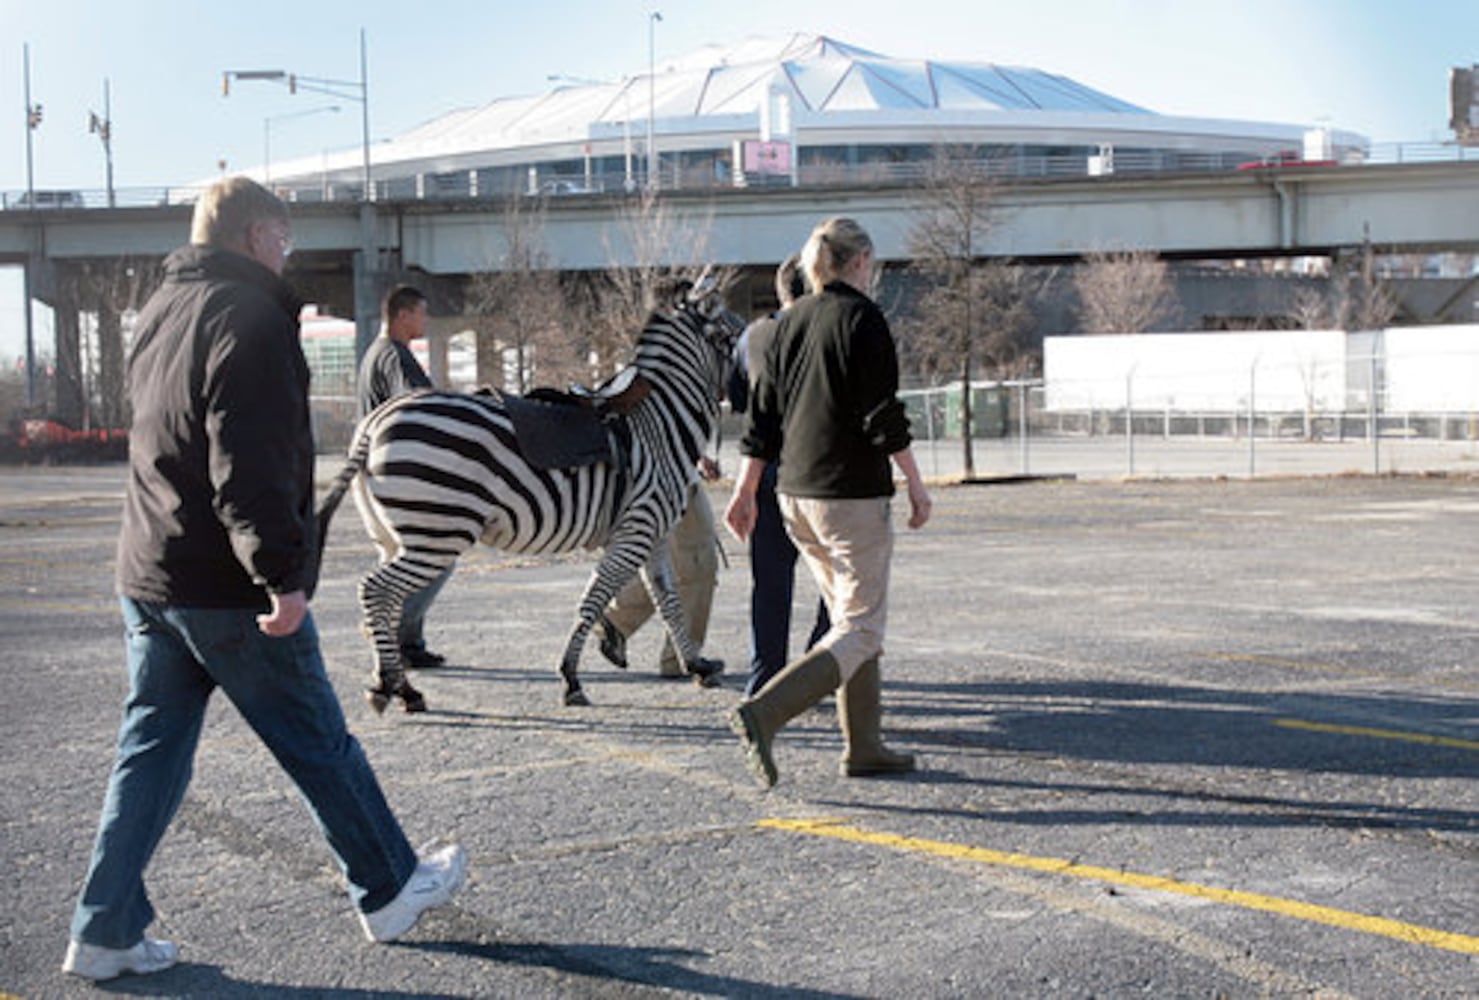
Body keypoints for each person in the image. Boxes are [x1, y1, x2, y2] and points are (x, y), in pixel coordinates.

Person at [62, 177, 466, 983]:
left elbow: (160, 444)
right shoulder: (251, 315)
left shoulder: (161, 313)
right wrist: (278, 573)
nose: (289, 249)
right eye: (282, 235)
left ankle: (103, 929)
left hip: (150, 574)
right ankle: (387, 888)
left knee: (150, 753)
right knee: (317, 740)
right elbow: (246, 456)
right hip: (225, 583)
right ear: (253, 235)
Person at [724, 216, 932, 788]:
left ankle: (864, 746)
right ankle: (764, 712)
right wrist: (915, 480)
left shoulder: (787, 323)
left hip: (794, 500)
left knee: (848, 621)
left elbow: (760, 421)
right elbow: (882, 415)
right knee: (862, 628)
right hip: (851, 500)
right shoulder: (862, 318)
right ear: (861, 260)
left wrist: (745, 491)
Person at [727, 254, 830, 697]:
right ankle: (814, 668)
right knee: (837, 582)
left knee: (769, 587)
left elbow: (736, 399)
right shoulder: (829, 329)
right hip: (821, 473)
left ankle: (764, 682)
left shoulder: (753, 336)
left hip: (765, 472)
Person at [356, 284, 451, 671]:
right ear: (402, 315)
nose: (425, 320)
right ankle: (394, 631)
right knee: (438, 554)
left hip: (372, 475)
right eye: (421, 313)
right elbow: (420, 406)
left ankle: (408, 643)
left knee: (399, 557)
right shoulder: (395, 357)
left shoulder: (374, 354)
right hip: (397, 475)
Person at [598, 462, 724, 683]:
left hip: (664, 471)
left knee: (670, 562)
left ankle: (615, 622)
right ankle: (681, 657)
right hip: (670, 473)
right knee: (697, 563)